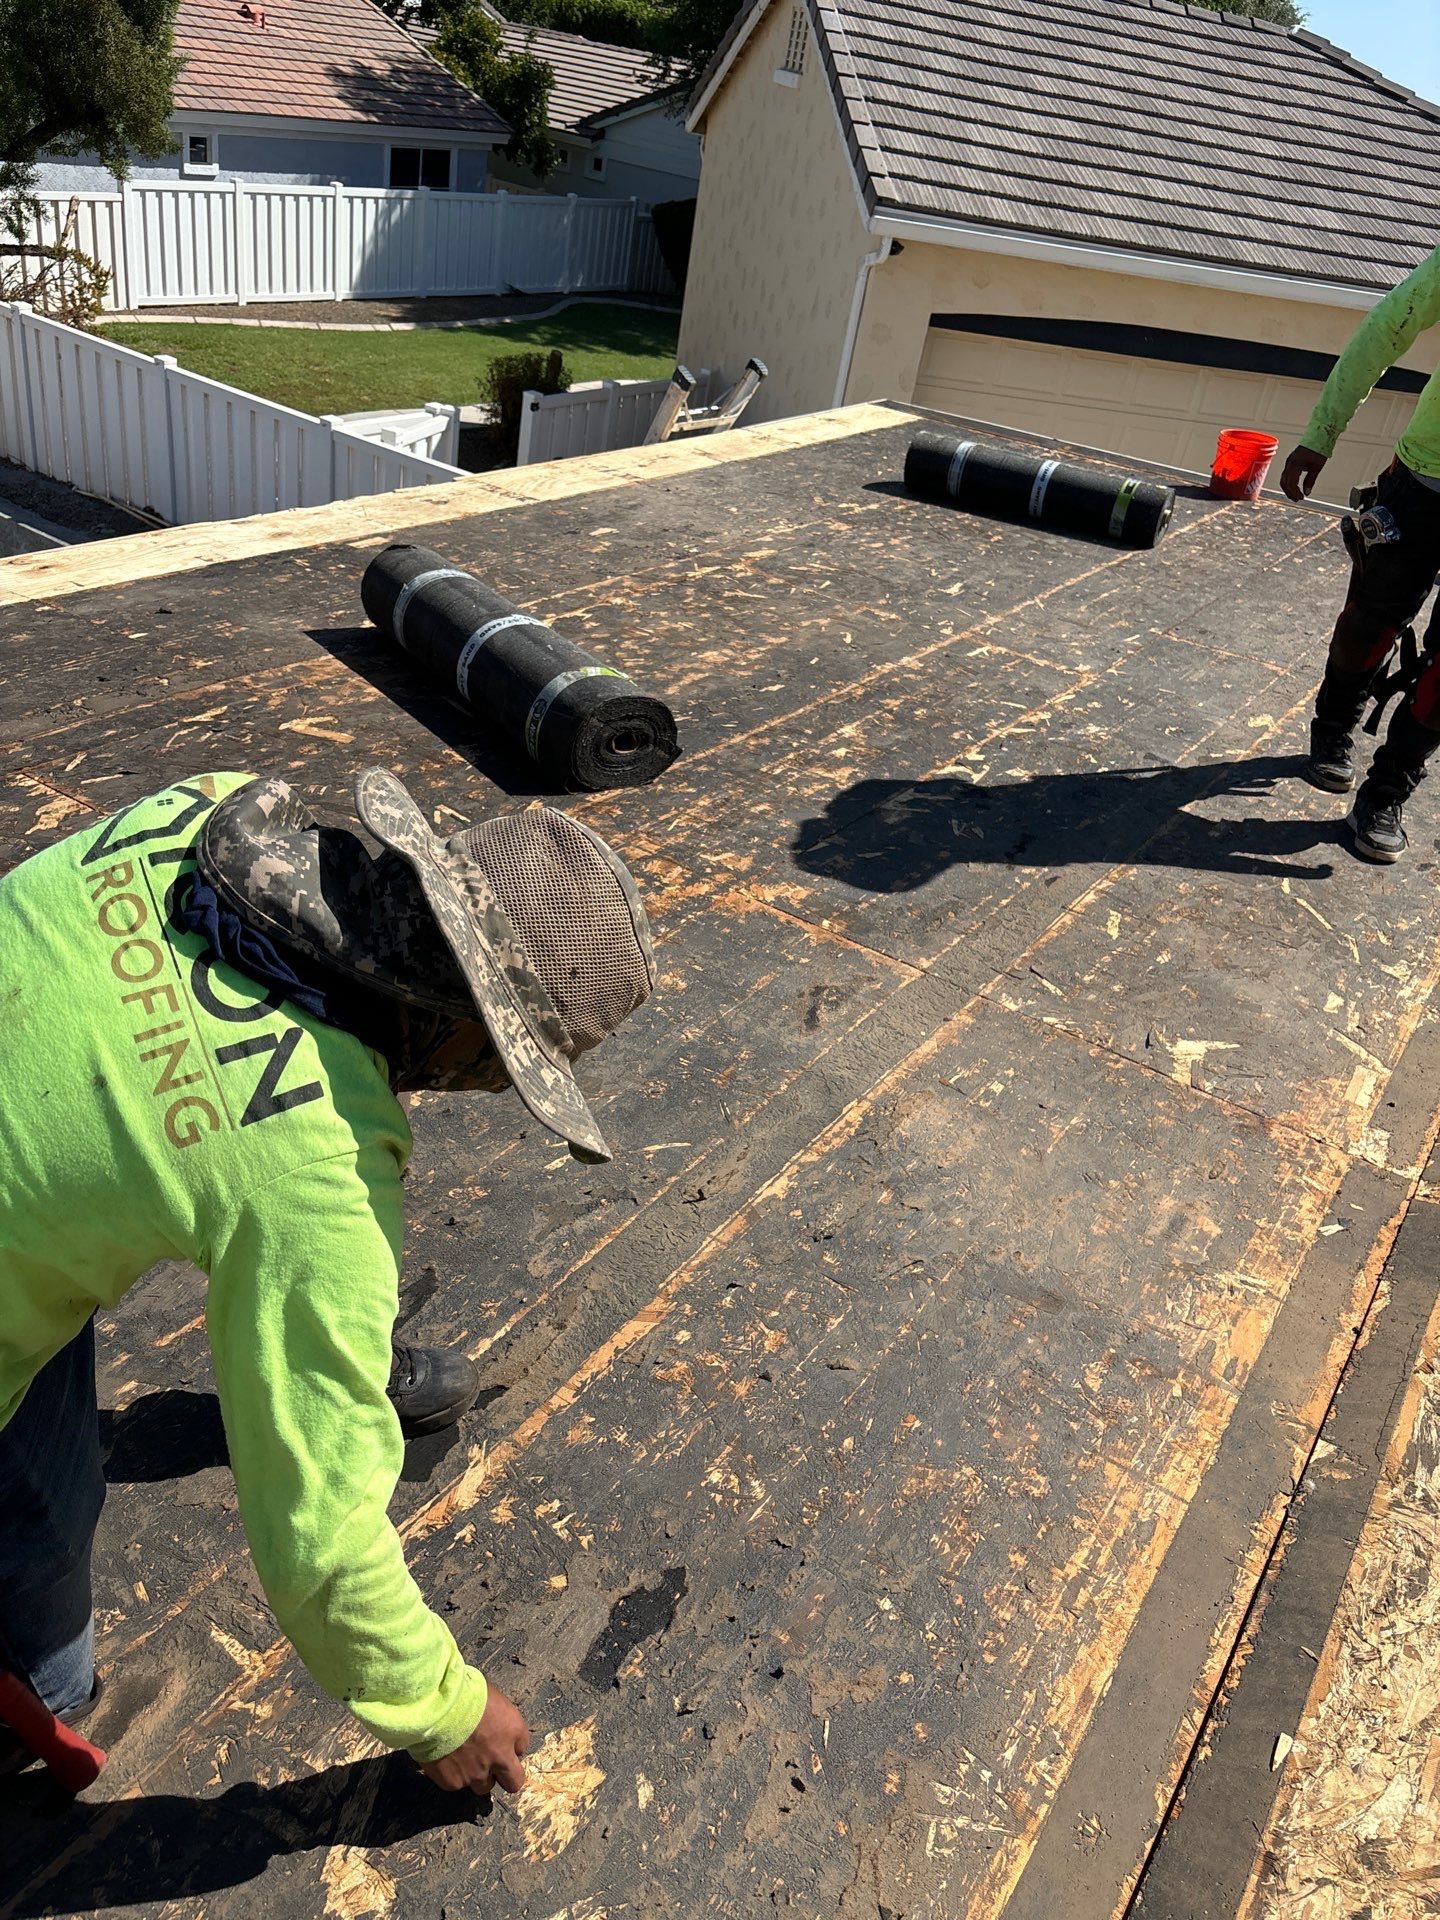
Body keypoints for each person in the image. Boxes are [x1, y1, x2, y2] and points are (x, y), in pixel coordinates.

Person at [0, 767, 656, 1792]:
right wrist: (443, 1707)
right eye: (506, 1066)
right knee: (44, 1555)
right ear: (465, 1026)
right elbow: (319, 1540)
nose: (484, 1089)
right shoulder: (315, 1168)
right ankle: (32, 1709)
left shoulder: (207, 809)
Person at [1282, 242, 1440, 863]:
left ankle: (1386, 791)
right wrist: (1321, 435)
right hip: (1424, 483)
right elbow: (1384, 331)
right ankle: (1333, 728)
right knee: (1369, 625)